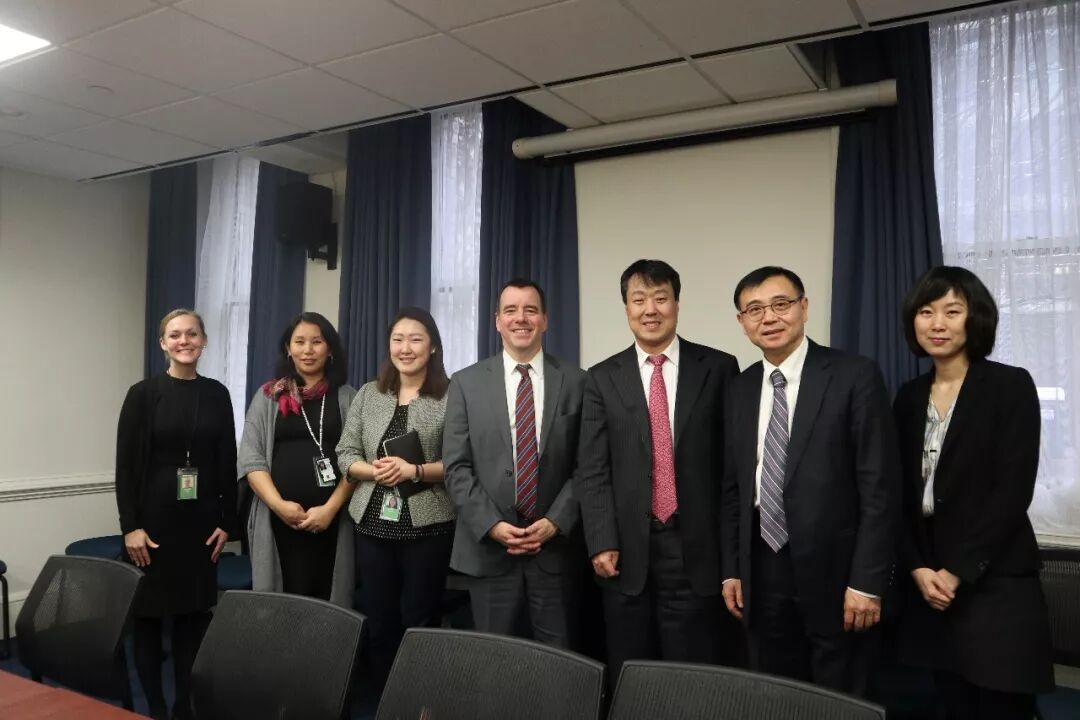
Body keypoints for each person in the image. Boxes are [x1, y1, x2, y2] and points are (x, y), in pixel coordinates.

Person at [720, 266, 900, 697]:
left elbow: (880, 487)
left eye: (781, 304)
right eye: (755, 310)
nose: (769, 317)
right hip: (761, 566)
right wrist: (732, 570)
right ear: (742, 322)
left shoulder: (854, 375)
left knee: (839, 692)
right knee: (775, 690)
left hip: (837, 570)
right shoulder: (740, 388)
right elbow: (732, 489)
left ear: (803, 307)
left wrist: (867, 580)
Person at [893, 266, 1052, 718]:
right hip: (929, 583)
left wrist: (957, 572)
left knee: (1003, 707)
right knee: (954, 704)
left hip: (994, 579)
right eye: (926, 312)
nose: (937, 324)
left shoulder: (1010, 385)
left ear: (974, 317)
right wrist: (918, 568)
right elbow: (897, 493)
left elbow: (1013, 490)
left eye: (952, 311)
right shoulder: (908, 397)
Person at [576, 259, 742, 685]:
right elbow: (592, 469)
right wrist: (601, 540)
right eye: (639, 299)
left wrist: (731, 558)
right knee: (631, 673)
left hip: (696, 548)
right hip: (626, 550)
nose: (650, 309)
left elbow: (732, 468)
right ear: (626, 308)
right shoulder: (601, 378)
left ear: (677, 304)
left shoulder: (718, 368)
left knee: (693, 675)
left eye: (660, 298)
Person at [443, 279, 586, 648]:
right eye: (511, 310)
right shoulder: (465, 383)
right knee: (494, 660)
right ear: (497, 321)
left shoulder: (578, 382)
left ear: (545, 320)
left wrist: (556, 521)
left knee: (560, 661)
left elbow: (587, 465)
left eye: (530, 310)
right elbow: (456, 468)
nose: (521, 318)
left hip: (555, 552)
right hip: (489, 550)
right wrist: (491, 525)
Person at [115, 309, 237, 720]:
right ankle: (155, 707)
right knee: (148, 620)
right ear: (163, 343)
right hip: (151, 527)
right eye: (175, 335)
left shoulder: (217, 394)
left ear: (204, 341)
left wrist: (227, 521)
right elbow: (125, 467)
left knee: (192, 621)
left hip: (200, 528)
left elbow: (226, 460)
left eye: (192, 334)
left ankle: (184, 706)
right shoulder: (142, 394)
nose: (184, 341)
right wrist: (130, 527)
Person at [337, 307, 455, 692]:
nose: (406, 348)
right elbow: (345, 453)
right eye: (398, 339)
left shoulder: (451, 395)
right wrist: (376, 472)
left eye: (416, 339)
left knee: (420, 619)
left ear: (432, 346)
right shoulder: (369, 393)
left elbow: (459, 463)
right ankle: (384, 699)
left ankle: (419, 700)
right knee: (380, 619)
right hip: (372, 525)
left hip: (428, 527)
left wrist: (414, 471)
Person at [238, 312, 356, 603]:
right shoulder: (268, 396)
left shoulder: (348, 397)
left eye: (317, 342)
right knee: (281, 604)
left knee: (329, 604)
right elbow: (251, 458)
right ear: (288, 349)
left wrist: (329, 509)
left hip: (334, 520)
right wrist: (279, 505)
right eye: (300, 342)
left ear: (330, 349)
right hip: (277, 520)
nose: (308, 350)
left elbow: (357, 460)